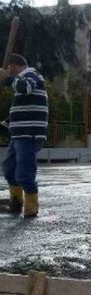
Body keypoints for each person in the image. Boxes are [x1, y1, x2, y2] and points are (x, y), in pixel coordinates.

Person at [0, 54, 48, 218]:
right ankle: (16, 201)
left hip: (29, 134)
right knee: (9, 169)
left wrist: (8, 79)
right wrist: (6, 123)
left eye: (9, 69)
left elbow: (25, 88)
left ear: (13, 67)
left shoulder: (32, 75)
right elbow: (22, 110)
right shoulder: (23, 79)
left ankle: (31, 207)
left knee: (24, 172)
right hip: (19, 134)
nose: (8, 72)